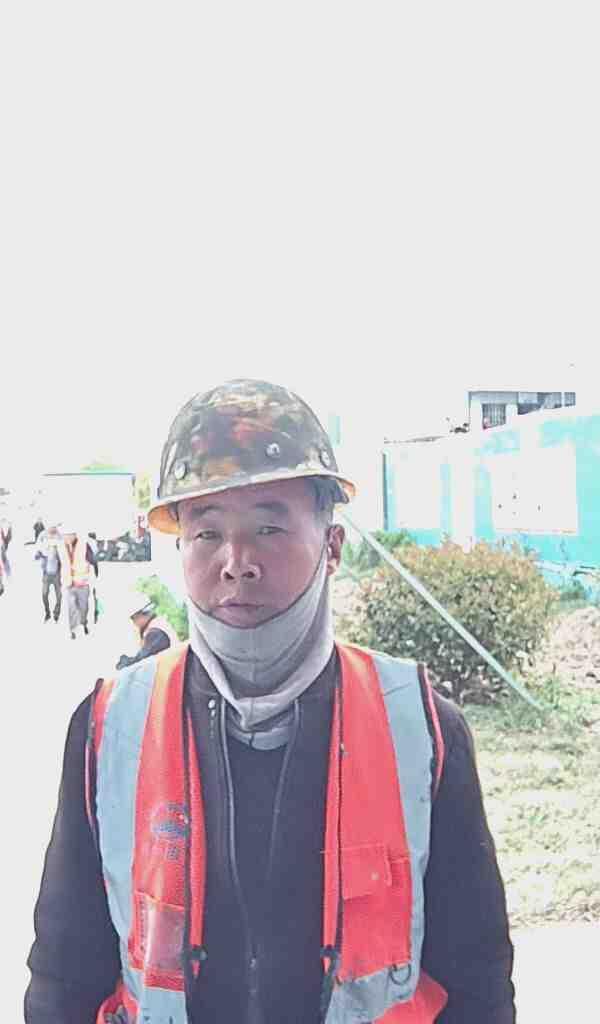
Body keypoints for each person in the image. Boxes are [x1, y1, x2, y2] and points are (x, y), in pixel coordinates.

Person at [25, 379, 515, 1024]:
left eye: (268, 527)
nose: (237, 562)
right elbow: (64, 974)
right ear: (180, 547)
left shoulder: (422, 729)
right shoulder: (109, 726)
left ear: (332, 546)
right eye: (207, 533)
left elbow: (477, 978)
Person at [115, 585, 177, 669]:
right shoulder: (156, 626)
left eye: (133, 618)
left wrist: (125, 663)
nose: (134, 622)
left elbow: (140, 662)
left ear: (141, 613)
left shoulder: (155, 633)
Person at [60, 526, 98, 639]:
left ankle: (84, 623)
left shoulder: (84, 546)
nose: (65, 538)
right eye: (64, 536)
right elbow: (60, 563)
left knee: (83, 608)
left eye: (67, 536)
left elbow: (93, 561)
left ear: (73, 535)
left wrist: (95, 578)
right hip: (69, 583)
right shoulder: (62, 547)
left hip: (82, 584)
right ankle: (73, 630)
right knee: (71, 608)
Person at [35, 524, 63, 623]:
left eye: (54, 528)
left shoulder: (60, 538)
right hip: (46, 574)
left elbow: (64, 554)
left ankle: (56, 613)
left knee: (59, 596)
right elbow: (37, 552)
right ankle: (47, 613)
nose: (52, 530)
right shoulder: (43, 537)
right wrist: (38, 554)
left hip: (56, 574)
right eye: (51, 528)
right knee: (44, 594)